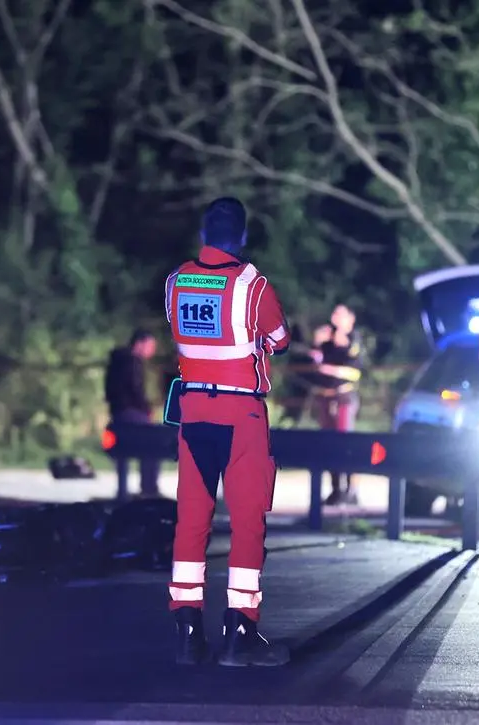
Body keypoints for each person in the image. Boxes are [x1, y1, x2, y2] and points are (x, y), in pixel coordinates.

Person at [164, 196, 291, 667]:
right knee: (246, 523)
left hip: (193, 413)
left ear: (202, 233)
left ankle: (187, 632)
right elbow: (278, 339)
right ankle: (240, 631)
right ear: (241, 236)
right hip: (242, 417)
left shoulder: (176, 280)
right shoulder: (252, 285)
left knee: (192, 522)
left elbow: (182, 331)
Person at [309, 304, 364, 505]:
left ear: (351, 319)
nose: (336, 317)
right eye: (334, 313)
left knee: (346, 442)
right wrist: (316, 345)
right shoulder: (327, 337)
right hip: (325, 396)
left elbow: (354, 372)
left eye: (341, 314)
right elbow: (316, 363)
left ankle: (352, 490)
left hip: (344, 397)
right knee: (328, 443)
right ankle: (335, 490)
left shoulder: (354, 339)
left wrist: (330, 369)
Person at [104, 329, 161, 497]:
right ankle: (149, 488)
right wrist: (147, 409)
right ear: (140, 344)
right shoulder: (133, 362)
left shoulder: (116, 361)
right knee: (154, 442)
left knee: (124, 448)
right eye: (151, 346)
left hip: (117, 412)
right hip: (132, 412)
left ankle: (122, 490)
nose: (152, 351)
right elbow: (135, 389)